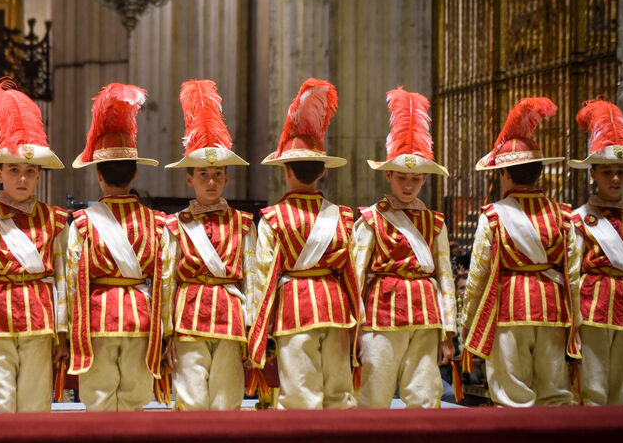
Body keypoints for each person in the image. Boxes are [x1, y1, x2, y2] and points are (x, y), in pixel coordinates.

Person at [247, 78, 360, 409]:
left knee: (299, 397)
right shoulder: (343, 216)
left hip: (293, 312)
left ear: (285, 170)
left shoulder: (272, 218)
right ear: (323, 171)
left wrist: (258, 331)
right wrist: (358, 321)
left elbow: (263, 277)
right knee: (340, 395)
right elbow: (352, 272)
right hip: (338, 310)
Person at [461, 97, 580, 407]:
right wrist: (576, 324)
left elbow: (477, 276)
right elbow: (574, 275)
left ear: (505, 174)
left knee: (512, 397)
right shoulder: (563, 215)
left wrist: (468, 326)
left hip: (509, 309)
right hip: (553, 311)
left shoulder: (493, 216)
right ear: (539, 172)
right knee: (555, 395)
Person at [351, 87, 457, 408]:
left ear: (424, 180)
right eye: (401, 178)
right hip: (380, 316)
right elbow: (355, 275)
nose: (408, 186)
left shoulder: (436, 222)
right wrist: (353, 329)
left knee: (426, 396)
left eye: (416, 179)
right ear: (389, 177)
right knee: (372, 397)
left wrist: (449, 332)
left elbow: (446, 278)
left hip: (427, 316)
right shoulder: (370, 219)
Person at [65, 83, 166, 411]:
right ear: (135, 173)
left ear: (98, 175)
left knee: (99, 408)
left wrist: (70, 334)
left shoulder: (81, 223)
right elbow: (165, 280)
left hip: (97, 324)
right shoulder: (158, 224)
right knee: (136, 406)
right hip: (141, 322)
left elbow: (72, 282)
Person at [0, 80, 68, 413]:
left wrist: (62, 330)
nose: (22, 179)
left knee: (35, 407)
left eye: (30, 171)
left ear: (39, 175)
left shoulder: (55, 221)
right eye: (14, 170)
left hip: (40, 323)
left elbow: (63, 280)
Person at [161, 79, 254, 410]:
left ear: (227, 177)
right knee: (191, 401)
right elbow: (166, 280)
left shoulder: (244, 224)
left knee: (227, 402)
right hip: (188, 318)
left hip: (231, 317)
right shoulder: (174, 226)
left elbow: (252, 277)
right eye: (203, 175)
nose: (211, 182)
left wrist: (253, 326)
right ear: (189, 178)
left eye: (217, 175)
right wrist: (166, 331)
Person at [568, 98, 623, 405]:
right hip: (591, 309)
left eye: (621, 172)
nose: (615, 178)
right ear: (594, 175)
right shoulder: (578, 219)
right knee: (592, 389)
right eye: (608, 172)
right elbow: (571, 273)